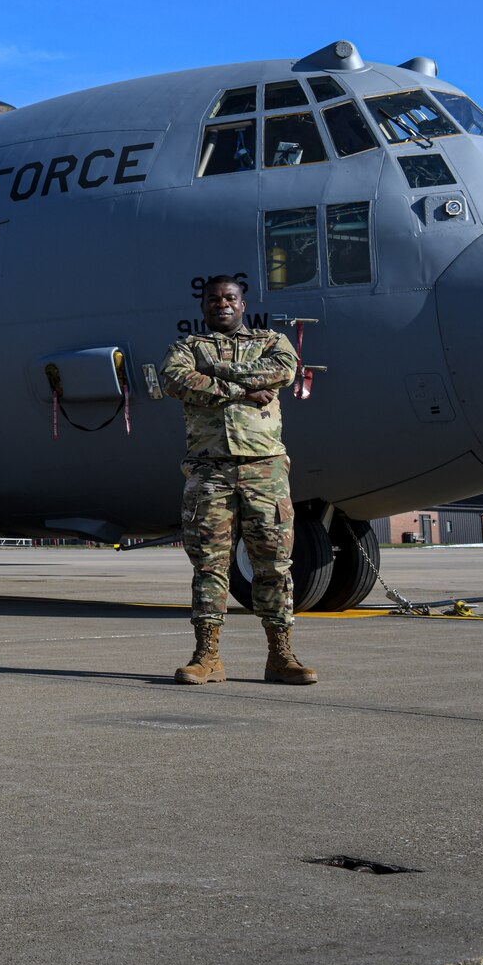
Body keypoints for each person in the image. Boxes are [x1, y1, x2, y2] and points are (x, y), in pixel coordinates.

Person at [159, 276, 317, 685]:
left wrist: (219, 374)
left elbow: (283, 371)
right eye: (213, 299)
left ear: (243, 304)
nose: (221, 304)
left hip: (264, 469)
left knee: (274, 564)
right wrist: (242, 391)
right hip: (209, 471)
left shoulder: (271, 341)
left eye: (230, 298)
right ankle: (206, 656)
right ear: (204, 306)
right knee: (209, 565)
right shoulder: (187, 348)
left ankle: (281, 656)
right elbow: (175, 379)